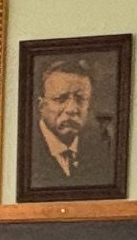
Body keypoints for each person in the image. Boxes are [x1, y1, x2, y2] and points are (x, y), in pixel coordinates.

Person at [28, 58, 114, 188]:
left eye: (81, 99)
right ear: (41, 106)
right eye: (60, 99)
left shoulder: (101, 153)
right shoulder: (25, 153)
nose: (72, 109)